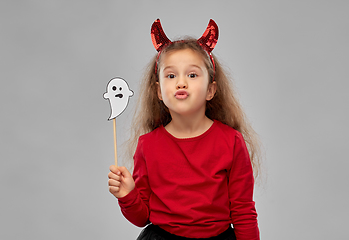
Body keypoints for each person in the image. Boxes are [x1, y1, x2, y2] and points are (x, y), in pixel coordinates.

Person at [108, 19, 262, 240]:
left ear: (211, 89)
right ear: (159, 92)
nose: (181, 83)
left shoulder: (232, 142)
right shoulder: (147, 145)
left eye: (192, 75)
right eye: (171, 76)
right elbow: (142, 218)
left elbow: (243, 212)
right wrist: (127, 195)